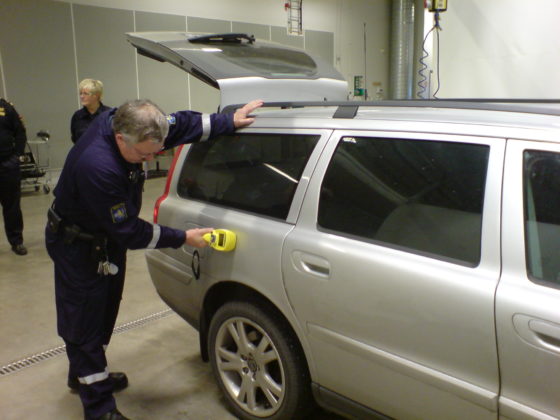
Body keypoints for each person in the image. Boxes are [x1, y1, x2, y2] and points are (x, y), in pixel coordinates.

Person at [45, 98, 263, 420]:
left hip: (103, 243)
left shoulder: (139, 126)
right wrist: (182, 237)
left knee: (104, 313)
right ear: (121, 138)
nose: (149, 161)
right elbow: (130, 232)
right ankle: (99, 407)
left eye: (155, 152)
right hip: (78, 246)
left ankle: (86, 374)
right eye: (144, 155)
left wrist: (227, 121)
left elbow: (183, 125)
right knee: (84, 322)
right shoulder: (98, 167)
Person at [0, 98, 28, 255]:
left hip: (6, 166)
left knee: (12, 208)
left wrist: (17, 156)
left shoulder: (6, 108)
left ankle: (16, 241)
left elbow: (20, 132)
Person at [70, 79, 111, 144]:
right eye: (81, 93)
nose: (82, 96)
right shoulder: (77, 116)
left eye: (85, 93)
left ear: (96, 96)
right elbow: (75, 139)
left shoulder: (109, 114)